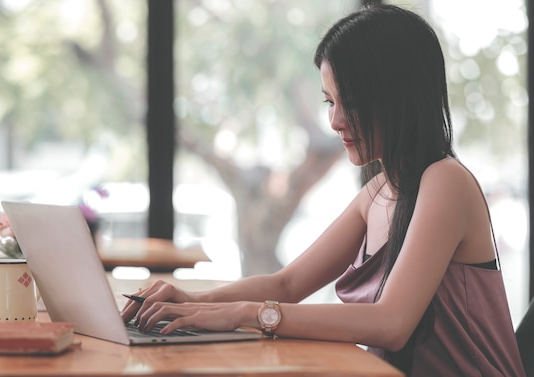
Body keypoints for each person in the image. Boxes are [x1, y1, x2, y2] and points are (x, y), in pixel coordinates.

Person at [122, 4, 525, 376]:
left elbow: (391, 323)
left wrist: (246, 313)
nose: (334, 121)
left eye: (347, 101)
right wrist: (192, 302)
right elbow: (288, 285)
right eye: (328, 102)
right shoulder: (380, 191)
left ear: (395, 96)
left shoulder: (446, 181)